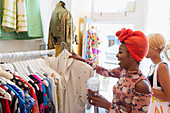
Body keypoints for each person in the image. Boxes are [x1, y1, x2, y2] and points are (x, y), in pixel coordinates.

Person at [69, 28, 152, 113]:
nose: (117, 55)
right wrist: (82, 60)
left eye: (120, 52)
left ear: (131, 56)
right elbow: (102, 70)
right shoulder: (123, 72)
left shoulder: (142, 85)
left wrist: (107, 105)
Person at [146, 33, 170, 102]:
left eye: (147, 47)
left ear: (158, 49)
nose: (144, 50)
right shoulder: (153, 66)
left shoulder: (162, 67)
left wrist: (146, 87)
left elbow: (168, 96)